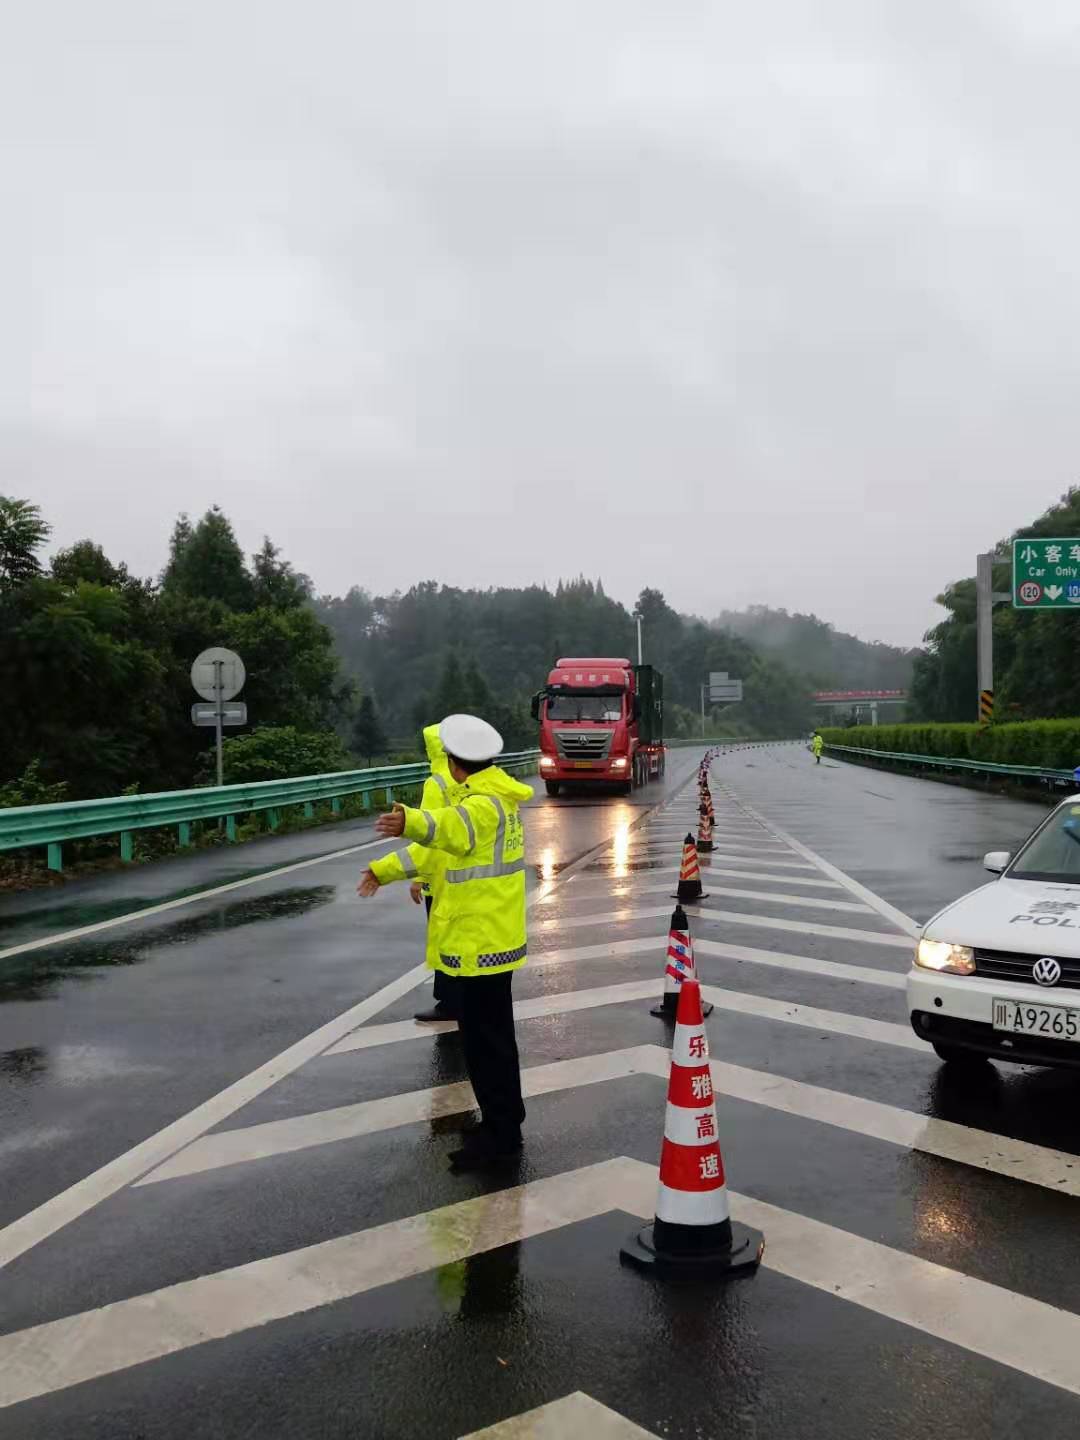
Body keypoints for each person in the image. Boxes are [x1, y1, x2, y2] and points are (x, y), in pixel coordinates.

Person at [358, 714, 532, 1171]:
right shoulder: (493, 797)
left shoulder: (484, 805)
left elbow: (447, 830)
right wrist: (385, 869)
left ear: (457, 764)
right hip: (485, 937)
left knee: (488, 1044)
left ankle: (502, 1135)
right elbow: (438, 852)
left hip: (482, 941)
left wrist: (409, 820)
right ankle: (500, 1122)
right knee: (486, 1041)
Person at [412, 723, 461, 1024]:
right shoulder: (468, 779)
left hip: (440, 877)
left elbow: (426, 834)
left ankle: (448, 1002)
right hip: (468, 875)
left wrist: (419, 876)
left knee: (442, 939)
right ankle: (465, 998)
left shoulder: (436, 783)